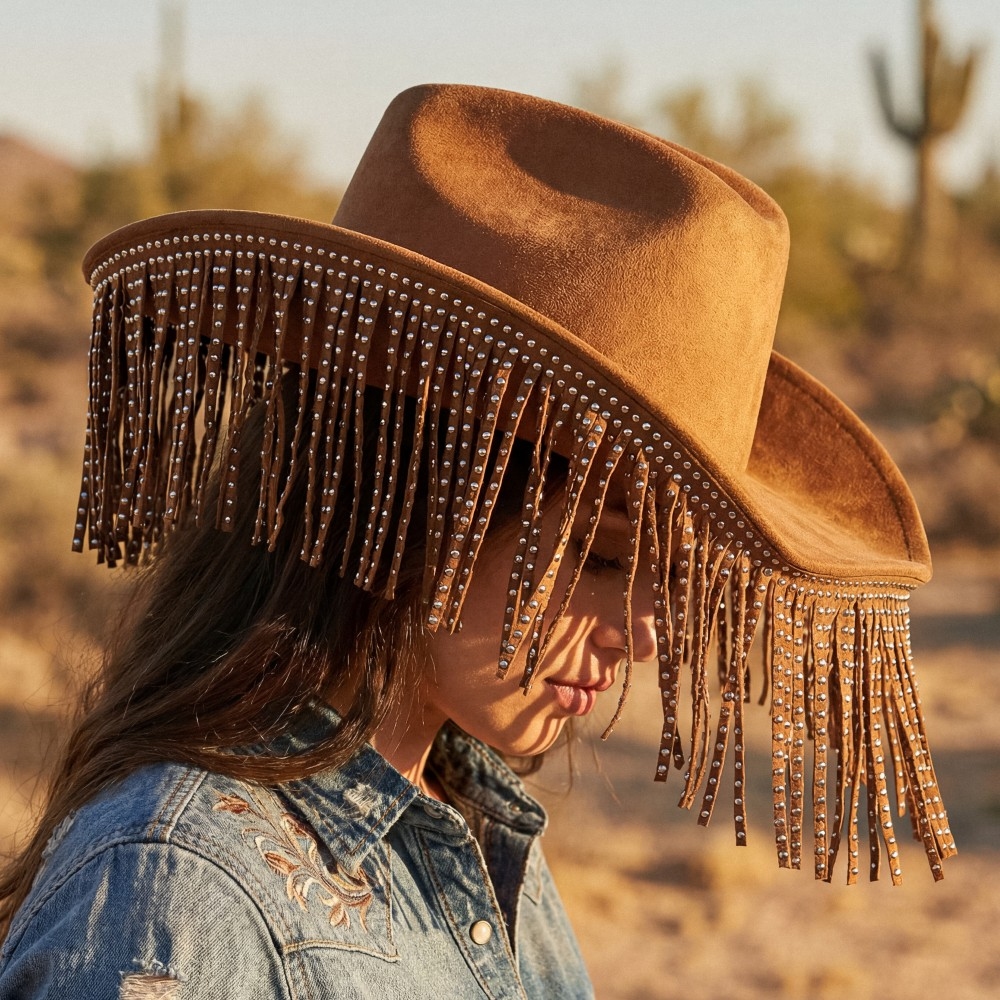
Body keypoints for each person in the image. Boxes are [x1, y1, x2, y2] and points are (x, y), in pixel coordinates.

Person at [0, 84, 955, 998]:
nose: (648, 630)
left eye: (671, 573)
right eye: (611, 557)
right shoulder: (178, 895)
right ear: (422, 498)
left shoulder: (469, 828)